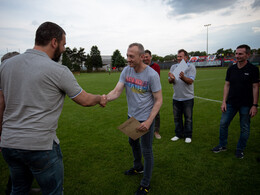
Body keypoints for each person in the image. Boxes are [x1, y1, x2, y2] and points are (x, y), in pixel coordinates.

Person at [0, 21, 107, 195]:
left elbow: (1, 103)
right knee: (53, 192)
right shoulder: (58, 70)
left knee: (18, 190)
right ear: (54, 42)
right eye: (64, 44)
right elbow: (85, 100)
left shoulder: (6, 65)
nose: (64, 49)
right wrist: (100, 98)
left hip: (9, 144)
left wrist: (1, 134)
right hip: (40, 146)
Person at [105, 43, 162, 195]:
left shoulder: (151, 75)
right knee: (132, 142)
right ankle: (138, 167)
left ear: (142, 57)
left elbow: (159, 100)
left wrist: (149, 122)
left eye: (131, 56)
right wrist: (104, 98)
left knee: (147, 150)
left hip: (145, 120)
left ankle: (146, 184)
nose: (128, 59)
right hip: (132, 116)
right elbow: (117, 91)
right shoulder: (126, 70)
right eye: (127, 55)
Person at [212, 44, 259, 159]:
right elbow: (227, 85)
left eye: (240, 54)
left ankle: (240, 149)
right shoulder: (231, 68)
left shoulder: (253, 69)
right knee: (223, 124)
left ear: (248, 55)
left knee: (244, 127)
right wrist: (223, 102)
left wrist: (254, 105)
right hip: (230, 103)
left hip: (246, 105)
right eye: (236, 53)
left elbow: (256, 87)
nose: (237, 56)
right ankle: (222, 145)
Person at [168, 49, 196, 143]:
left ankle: (188, 135)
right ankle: (178, 134)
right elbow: (170, 81)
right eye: (178, 56)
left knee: (188, 119)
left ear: (186, 57)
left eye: (181, 56)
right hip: (176, 97)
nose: (179, 58)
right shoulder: (173, 67)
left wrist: (183, 77)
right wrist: (171, 79)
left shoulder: (191, 67)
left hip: (187, 97)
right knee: (177, 118)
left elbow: (190, 81)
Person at [143, 49, 161, 139]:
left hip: (153, 93)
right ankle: (145, 128)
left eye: (147, 57)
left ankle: (156, 131)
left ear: (150, 57)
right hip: (144, 93)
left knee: (156, 113)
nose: (145, 58)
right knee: (144, 112)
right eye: (144, 57)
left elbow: (155, 79)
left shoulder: (156, 66)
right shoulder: (140, 67)